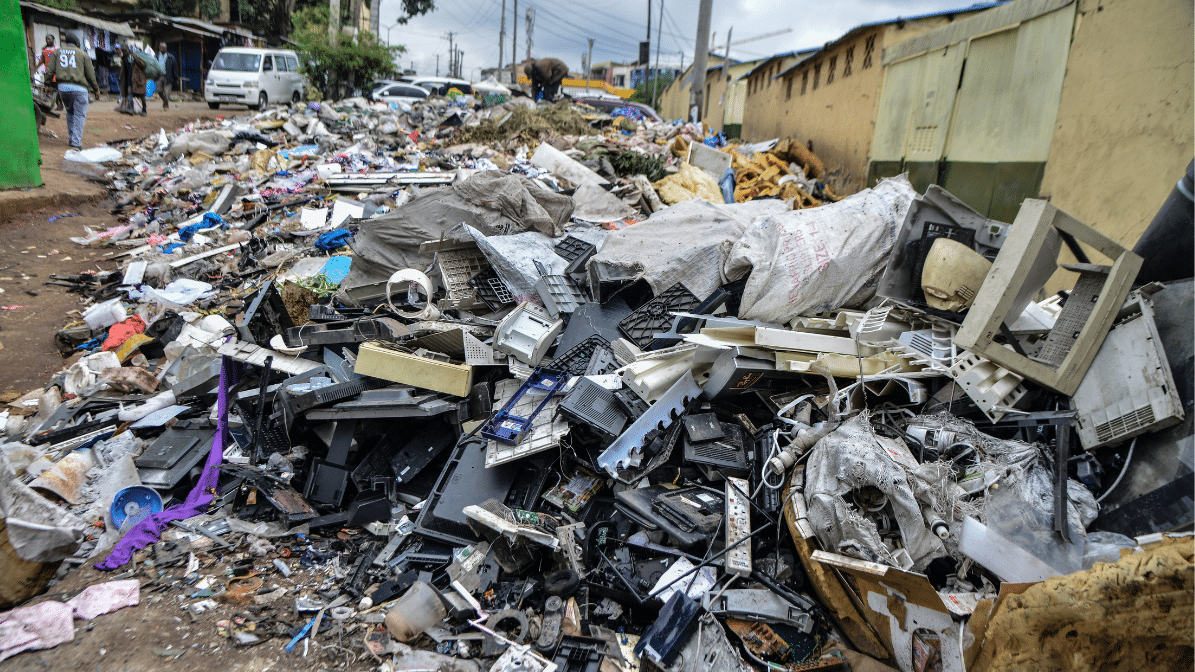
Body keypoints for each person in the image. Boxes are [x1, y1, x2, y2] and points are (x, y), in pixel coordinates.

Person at [45, 33, 100, 150]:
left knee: (70, 112)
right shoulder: (83, 54)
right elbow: (90, 75)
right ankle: (76, 142)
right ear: (77, 43)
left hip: (63, 88)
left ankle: (71, 138)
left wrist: (47, 84)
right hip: (79, 89)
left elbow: (49, 70)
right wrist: (96, 89)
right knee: (79, 115)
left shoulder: (57, 52)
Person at [41, 34, 63, 110]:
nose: (47, 40)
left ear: (53, 40)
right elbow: (42, 60)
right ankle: (57, 104)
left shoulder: (57, 49)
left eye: (49, 39)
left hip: (56, 72)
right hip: (48, 72)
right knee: (51, 89)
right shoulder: (44, 49)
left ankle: (59, 104)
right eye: (46, 39)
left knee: (56, 89)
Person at [123, 46, 147, 116]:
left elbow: (143, 65)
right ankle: (131, 109)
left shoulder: (140, 59)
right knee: (130, 95)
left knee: (142, 96)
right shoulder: (128, 59)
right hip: (131, 81)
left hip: (139, 81)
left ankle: (144, 110)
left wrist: (135, 57)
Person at [155, 42, 179, 110]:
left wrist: (176, 78)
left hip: (168, 77)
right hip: (159, 76)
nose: (162, 49)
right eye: (160, 47)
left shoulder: (171, 57)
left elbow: (175, 69)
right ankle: (166, 101)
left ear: (166, 48)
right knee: (159, 91)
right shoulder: (156, 56)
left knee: (167, 92)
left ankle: (165, 105)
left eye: (163, 48)